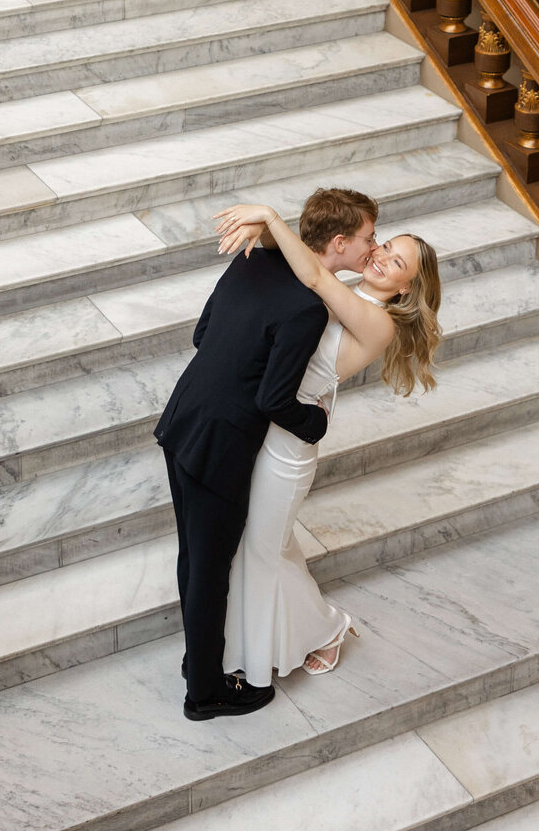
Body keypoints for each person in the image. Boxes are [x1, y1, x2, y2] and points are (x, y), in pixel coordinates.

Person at [155, 187, 379, 721]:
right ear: (341, 243)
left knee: (195, 557)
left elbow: (201, 333)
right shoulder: (309, 309)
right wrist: (317, 421)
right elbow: (275, 400)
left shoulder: (256, 257)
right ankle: (205, 692)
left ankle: (199, 661)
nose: (373, 245)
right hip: (221, 446)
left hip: (182, 420)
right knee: (209, 569)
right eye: (369, 238)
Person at [215, 197, 442, 683]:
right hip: (266, 423)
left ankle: (328, 628)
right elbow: (310, 260)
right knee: (269, 540)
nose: (380, 255)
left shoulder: (377, 321)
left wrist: (272, 217)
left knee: (263, 549)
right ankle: (269, 634)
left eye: (396, 262)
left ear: (406, 290)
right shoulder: (345, 289)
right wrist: (267, 231)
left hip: (289, 444)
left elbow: (314, 275)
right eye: (384, 244)